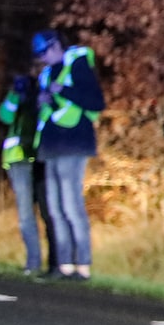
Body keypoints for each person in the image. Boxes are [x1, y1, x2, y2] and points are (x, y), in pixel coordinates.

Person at [31, 30, 104, 279]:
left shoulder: (78, 65)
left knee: (72, 206)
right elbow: (46, 112)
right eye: (39, 55)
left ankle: (82, 266)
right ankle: (64, 266)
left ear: (55, 46)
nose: (43, 58)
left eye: (45, 52)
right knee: (55, 207)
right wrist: (42, 101)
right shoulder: (46, 74)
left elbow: (96, 102)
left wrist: (64, 90)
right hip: (51, 146)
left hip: (74, 144)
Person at [0, 69, 48, 273]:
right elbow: (4, 116)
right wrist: (15, 93)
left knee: (48, 212)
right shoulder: (17, 94)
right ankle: (33, 262)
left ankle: (56, 263)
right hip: (19, 158)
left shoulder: (47, 90)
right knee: (26, 214)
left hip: (41, 157)